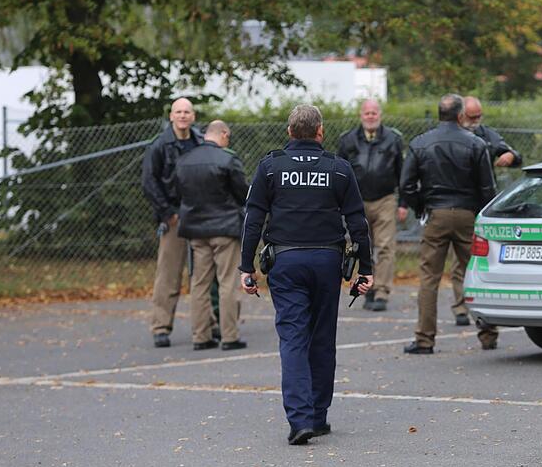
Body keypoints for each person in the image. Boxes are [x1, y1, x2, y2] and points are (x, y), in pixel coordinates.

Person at [239, 105, 374, 446]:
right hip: (327, 262)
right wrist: (366, 270)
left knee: (293, 339)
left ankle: (300, 420)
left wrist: (246, 267)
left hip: (286, 263)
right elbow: (358, 223)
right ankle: (318, 416)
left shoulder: (270, 168)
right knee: (322, 338)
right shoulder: (339, 169)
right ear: (320, 132)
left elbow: (253, 219)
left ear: (289, 132)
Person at [400, 94, 498, 354]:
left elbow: (406, 185)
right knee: (477, 274)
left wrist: (422, 206)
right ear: (460, 115)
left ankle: (424, 339)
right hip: (468, 214)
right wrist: (483, 214)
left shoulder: (420, 143)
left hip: (436, 213)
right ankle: (488, 333)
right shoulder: (476, 144)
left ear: (439, 114)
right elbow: (487, 186)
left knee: (429, 277)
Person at [446, 96, 523, 326]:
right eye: (472, 117)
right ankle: (461, 308)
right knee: (459, 263)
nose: (476, 121)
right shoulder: (447, 137)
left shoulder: (486, 135)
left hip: (480, 206)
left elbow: (512, 153)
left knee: (478, 260)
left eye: (479, 116)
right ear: (461, 116)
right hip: (454, 204)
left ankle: (484, 316)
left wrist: (511, 155)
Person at [174, 120, 249, 352]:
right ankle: (229, 336)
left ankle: (200, 335)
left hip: (196, 230)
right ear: (223, 134)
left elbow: (179, 192)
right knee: (227, 283)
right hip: (225, 228)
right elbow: (243, 192)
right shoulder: (228, 159)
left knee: (199, 284)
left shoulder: (185, 160)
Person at [141, 97, 202, 348]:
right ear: (171, 116)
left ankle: (209, 327)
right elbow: (149, 182)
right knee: (168, 275)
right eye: (178, 111)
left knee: (203, 275)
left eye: (187, 111)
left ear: (193, 116)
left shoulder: (200, 142)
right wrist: (168, 213)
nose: (183, 116)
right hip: (174, 218)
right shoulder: (159, 145)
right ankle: (161, 327)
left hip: (200, 215)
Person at [336, 99, 406, 312]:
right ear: (361, 115)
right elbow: (339, 173)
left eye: (374, 113)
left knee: (385, 247)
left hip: (385, 199)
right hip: (356, 201)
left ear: (380, 115)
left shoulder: (393, 139)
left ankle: (383, 292)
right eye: (367, 113)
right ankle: (369, 288)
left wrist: (403, 203)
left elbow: (402, 173)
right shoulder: (347, 140)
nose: (370, 116)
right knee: (362, 248)